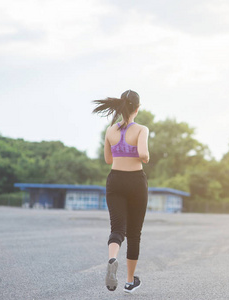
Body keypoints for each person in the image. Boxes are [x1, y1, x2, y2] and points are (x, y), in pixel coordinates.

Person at [92, 89, 150, 293]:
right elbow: (143, 154)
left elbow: (108, 160)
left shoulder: (110, 131)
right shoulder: (141, 129)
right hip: (135, 182)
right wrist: (145, 156)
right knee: (134, 233)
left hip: (115, 180)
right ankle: (128, 281)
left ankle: (112, 258)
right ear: (137, 108)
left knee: (117, 229)